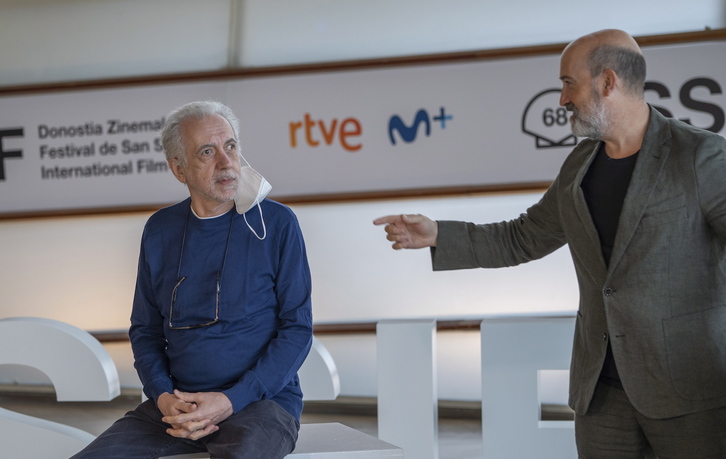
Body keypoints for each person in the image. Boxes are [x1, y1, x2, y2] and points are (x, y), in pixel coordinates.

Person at [374, 29, 726, 458]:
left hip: (689, 392)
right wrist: (438, 235)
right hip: (600, 394)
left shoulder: (701, 157)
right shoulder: (580, 163)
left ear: (608, 82)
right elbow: (522, 237)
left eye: (568, 82)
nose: (562, 100)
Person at [72, 100, 313, 459]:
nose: (226, 161)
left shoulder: (276, 224)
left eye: (230, 146)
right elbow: (145, 330)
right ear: (178, 169)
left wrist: (232, 399)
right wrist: (164, 396)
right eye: (207, 151)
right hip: (177, 405)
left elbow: (297, 329)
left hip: (260, 403)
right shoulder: (159, 230)